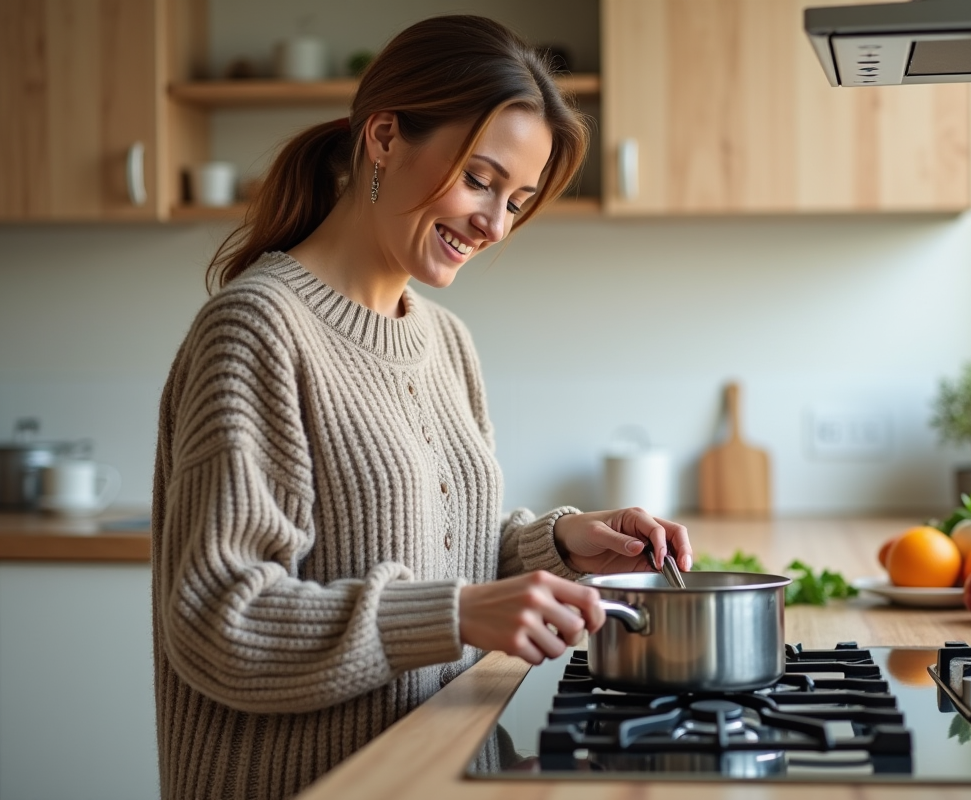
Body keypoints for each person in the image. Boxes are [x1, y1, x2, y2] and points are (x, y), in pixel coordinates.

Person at [151, 14, 692, 800]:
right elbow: (216, 621)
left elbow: (441, 555)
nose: (494, 223)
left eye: (518, 200)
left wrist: (561, 545)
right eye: (480, 179)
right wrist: (458, 614)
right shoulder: (258, 329)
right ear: (382, 137)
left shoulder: (446, 342)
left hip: (426, 772)